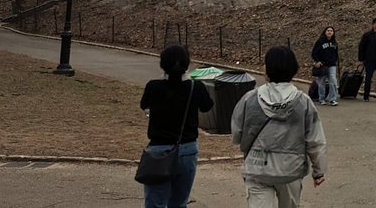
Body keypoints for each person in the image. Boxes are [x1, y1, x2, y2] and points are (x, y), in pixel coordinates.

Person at [231, 46, 327, 207]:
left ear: (267, 69)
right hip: (290, 169)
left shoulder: (250, 99)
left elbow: (237, 133)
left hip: (257, 167)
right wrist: (319, 171)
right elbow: (315, 140)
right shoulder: (303, 102)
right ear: (293, 69)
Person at [139, 45, 215, 208]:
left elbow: (143, 105)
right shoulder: (196, 87)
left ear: (162, 64)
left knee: (155, 202)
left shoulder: (153, 86)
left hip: (158, 150)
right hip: (187, 148)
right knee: (179, 202)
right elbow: (207, 106)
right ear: (187, 65)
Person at [311, 26, 339, 106]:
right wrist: (317, 61)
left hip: (332, 65)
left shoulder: (334, 42)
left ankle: (332, 99)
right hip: (322, 65)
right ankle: (322, 98)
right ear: (325, 32)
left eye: (331, 31)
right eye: (328, 30)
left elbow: (336, 53)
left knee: (333, 81)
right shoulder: (320, 41)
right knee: (321, 82)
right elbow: (314, 53)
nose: (329, 32)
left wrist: (334, 60)